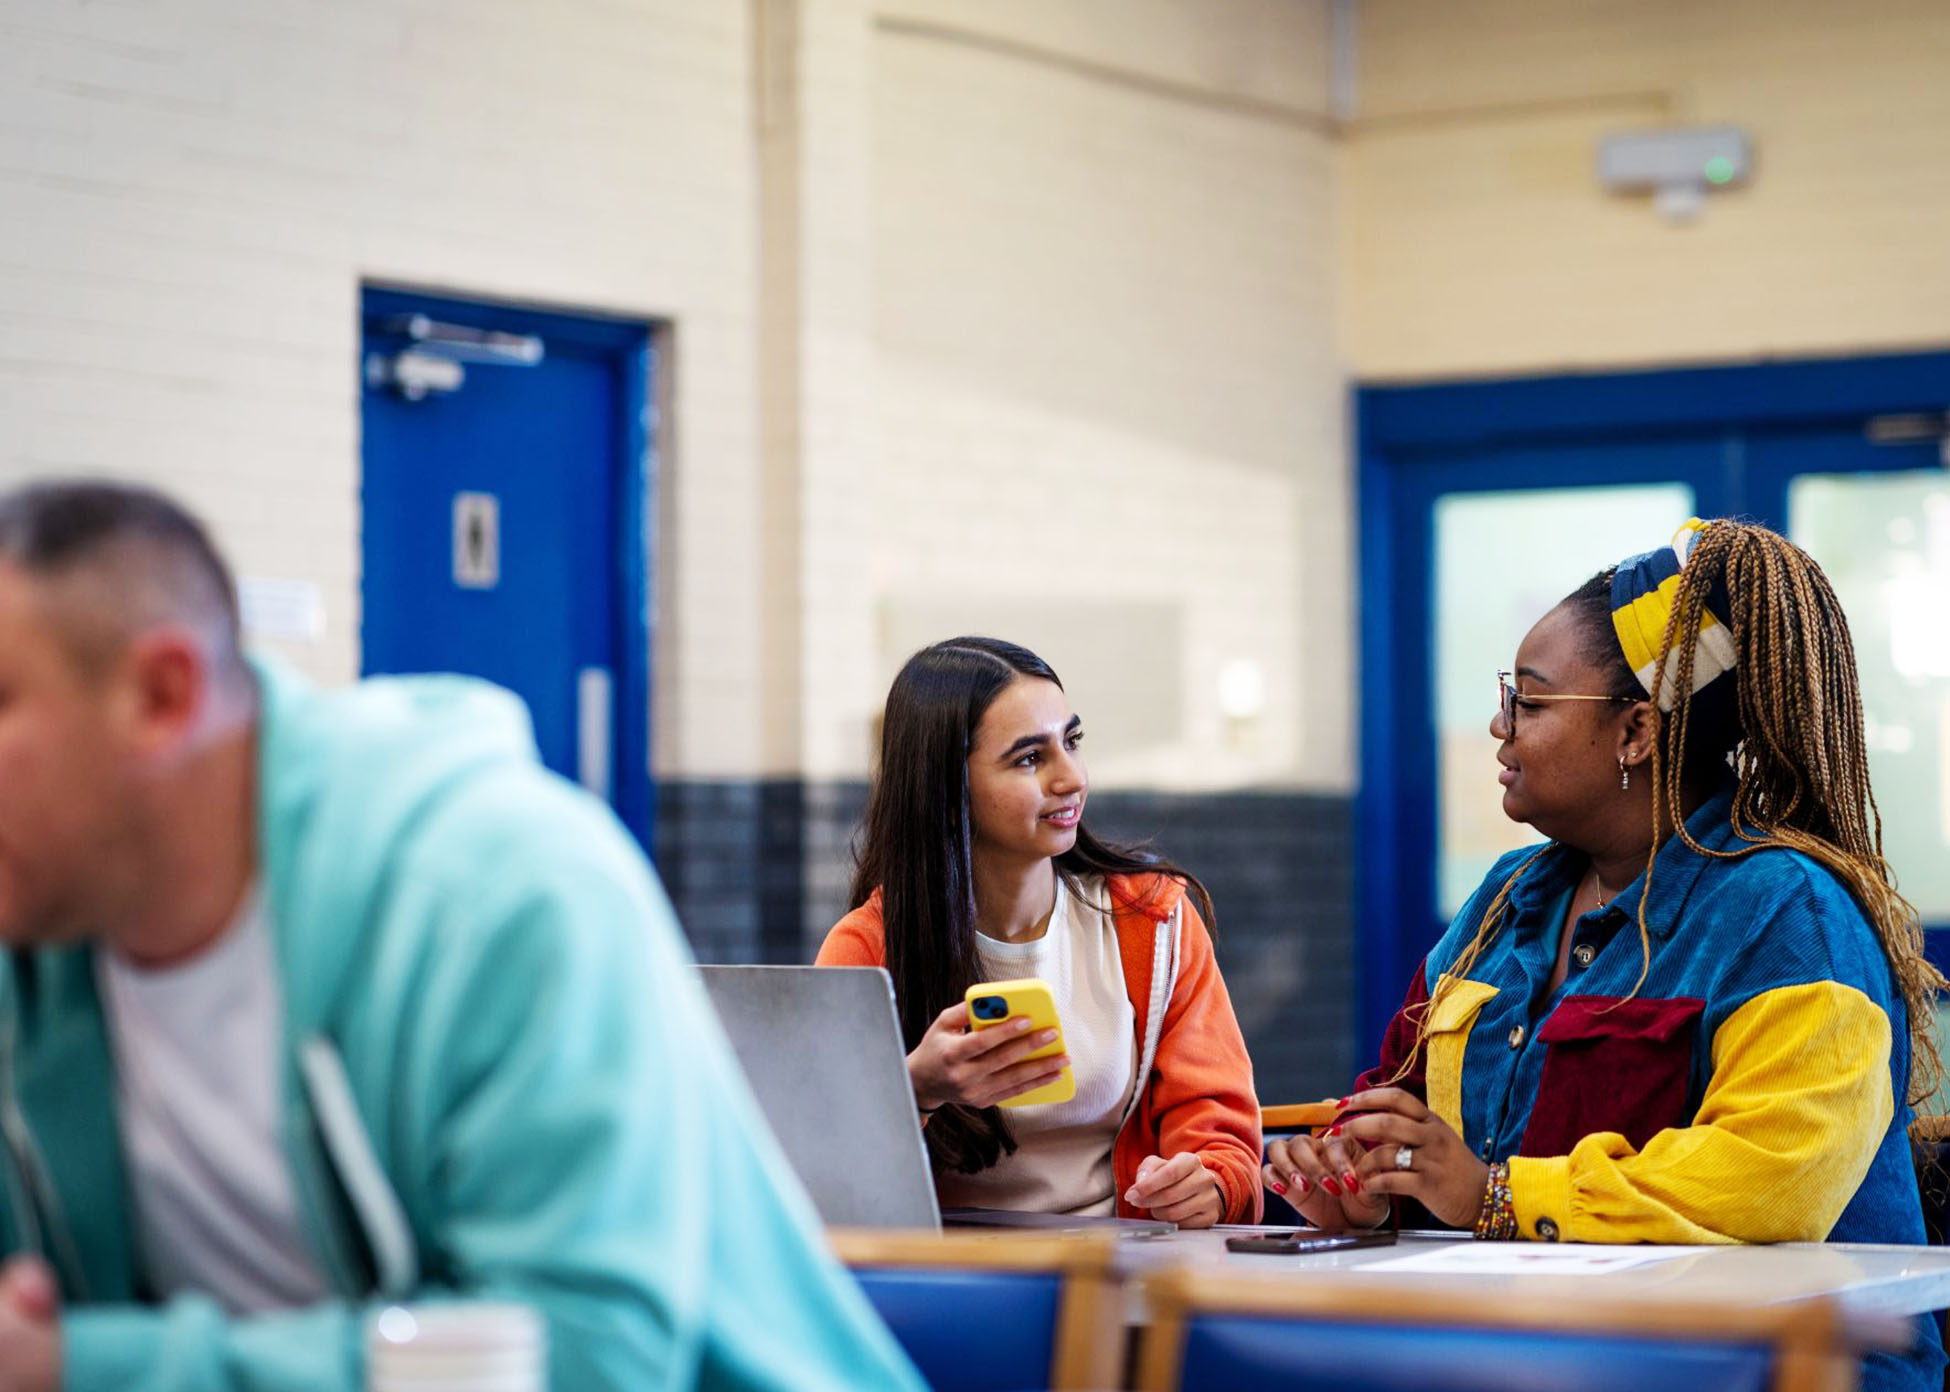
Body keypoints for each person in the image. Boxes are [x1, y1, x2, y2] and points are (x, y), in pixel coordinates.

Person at [0, 480, 922, 1392]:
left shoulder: (505, 892)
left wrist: (91, 1368)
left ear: (161, 697)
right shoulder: (42, 932)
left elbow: (587, 1356)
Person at [1263, 519, 1944, 1391]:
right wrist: (1365, 1188)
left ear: (1635, 732)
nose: (1499, 726)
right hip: (1539, 1357)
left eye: (1532, 703)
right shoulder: (1507, 898)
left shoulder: (1789, 912)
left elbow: (1769, 1184)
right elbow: (1408, 1111)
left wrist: (1493, 1196)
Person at [817, 637, 1262, 1228]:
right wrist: (915, 1088)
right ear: (946, 788)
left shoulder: (1155, 921)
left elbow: (1221, 1129)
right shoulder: (869, 947)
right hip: (945, 1274)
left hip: (1124, 1263)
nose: (1071, 778)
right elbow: (820, 1168)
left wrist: (1213, 1183)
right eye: (1030, 758)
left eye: (1071, 742)